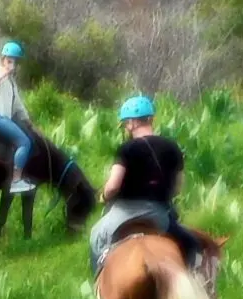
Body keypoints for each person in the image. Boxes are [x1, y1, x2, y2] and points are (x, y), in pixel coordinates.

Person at [89, 95, 211, 277]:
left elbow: (113, 186)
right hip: (159, 216)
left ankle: (100, 283)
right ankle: (195, 278)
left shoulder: (127, 149)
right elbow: (178, 188)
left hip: (124, 214)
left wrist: (104, 196)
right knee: (190, 244)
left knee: (96, 236)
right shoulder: (173, 148)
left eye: (125, 123)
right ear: (151, 119)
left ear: (131, 123)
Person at [0, 42, 39, 194]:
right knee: (24, 142)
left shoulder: (12, 83)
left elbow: (18, 106)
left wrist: (30, 124)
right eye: (9, 60)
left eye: (15, 61)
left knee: (26, 138)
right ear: (3, 59)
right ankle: (16, 181)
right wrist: (4, 72)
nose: (12, 64)